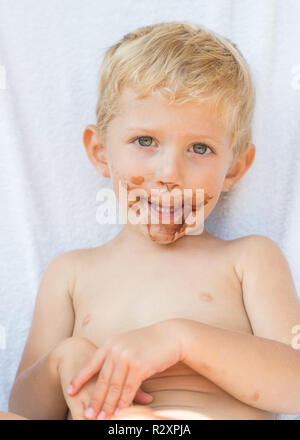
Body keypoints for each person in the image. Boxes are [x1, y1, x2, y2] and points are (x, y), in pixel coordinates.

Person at [5, 21, 300, 421]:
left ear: (235, 168)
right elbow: (24, 409)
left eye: (200, 148)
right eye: (144, 141)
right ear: (100, 152)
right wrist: (63, 361)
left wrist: (180, 339)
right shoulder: (70, 274)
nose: (168, 173)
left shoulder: (249, 260)